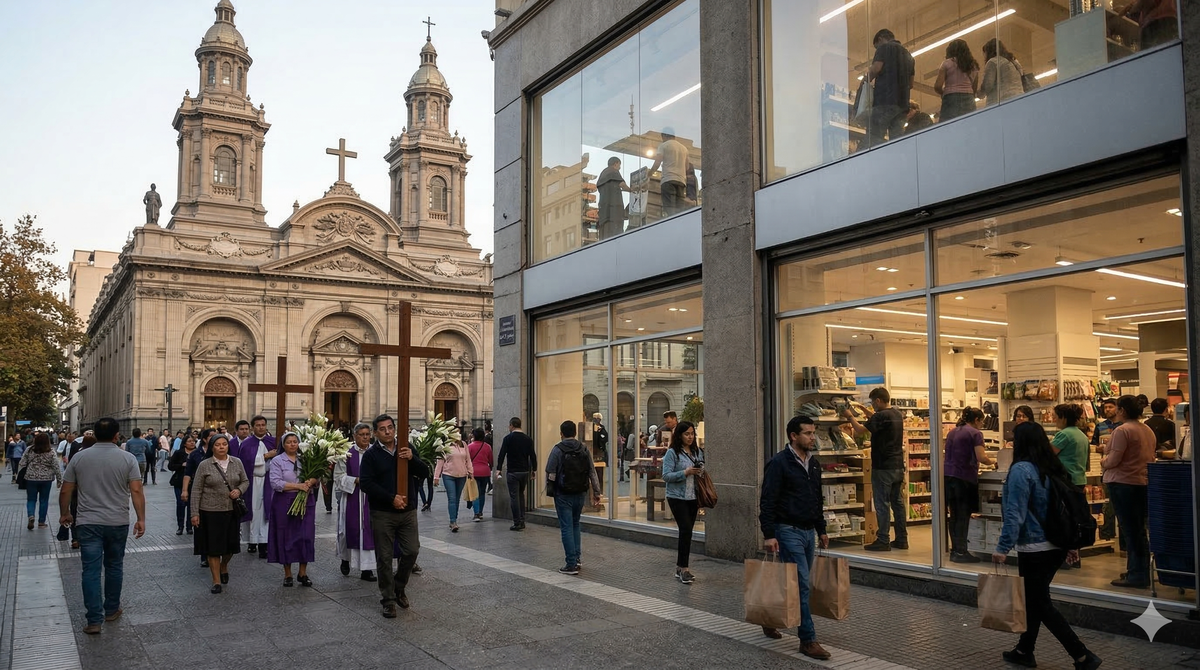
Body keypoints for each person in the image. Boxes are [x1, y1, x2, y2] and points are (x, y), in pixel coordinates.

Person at [993, 422, 1102, 670]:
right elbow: (1065, 510)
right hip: (1055, 546)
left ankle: (1082, 655)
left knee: (1041, 604)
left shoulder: (1021, 470)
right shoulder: (1051, 468)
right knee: (1035, 601)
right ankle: (1024, 650)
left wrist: (1002, 547)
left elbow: (1015, 513)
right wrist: (1071, 545)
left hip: (1034, 547)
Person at [58, 417, 146, 635]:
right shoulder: (127, 459)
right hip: (117, 521)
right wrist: (141, 518)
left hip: (87, 522)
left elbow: (65, 490)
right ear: (117, 436)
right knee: (114, 565)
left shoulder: (79, 457)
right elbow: (136, 491)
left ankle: (94, 620)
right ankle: (111, 609)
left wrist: (65, 513)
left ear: (94, 435)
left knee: (90, 569)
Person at [758, 415, 831, 661]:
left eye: (813, 433)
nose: (813, 437)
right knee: (801, 584)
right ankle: (808, 639)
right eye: (808, 433)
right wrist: (769, 534)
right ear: (793, 436)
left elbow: (816, 499)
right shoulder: (779, 463)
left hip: (808, 531)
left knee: (792, 582)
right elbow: (767, 500)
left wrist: (821, 529)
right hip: (787, 530)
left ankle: (769, 617)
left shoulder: (814, 463)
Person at [359, 414, 430, 618]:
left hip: (407, 512)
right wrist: (391, 498)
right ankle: (388, 599)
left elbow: (424, 471)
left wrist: (412, 458)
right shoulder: (371, 455)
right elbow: (366, 483)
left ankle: (399, 586)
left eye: (390, 427)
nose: (388, 431)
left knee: (411, 551)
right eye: (382, 429)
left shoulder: (406, 448)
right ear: (376, 433)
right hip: (383, 513)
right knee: (384, 557)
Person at [1099, 395, 1156, 588]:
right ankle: (1138, 570)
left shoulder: (1122, 430)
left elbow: (1114, 459)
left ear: (1122, 410)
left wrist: (1103, 462)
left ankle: (1137, 575)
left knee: (1131, 531)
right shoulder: (1147, 429)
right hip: (1142, 482)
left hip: (1122, 484)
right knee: (1139, 530)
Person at [844, 387, 907, 551]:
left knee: (882, 504)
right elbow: (876, 419)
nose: (872, 405)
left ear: (878, 401)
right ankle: (902, 539)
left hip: (883, 466)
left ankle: (883, 540)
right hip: (898, 466)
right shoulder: (896, 414)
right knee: (898, 503)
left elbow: (860, 430)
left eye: (873, 402)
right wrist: (864, 409)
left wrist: (850, 416)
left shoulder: (880, 416)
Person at [190, 434, 248, 593]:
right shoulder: (204, 465)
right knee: (213, 548)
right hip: (210, 512)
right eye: (218, 445)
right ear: (212, 447)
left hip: (230, 511)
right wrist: (194, 513)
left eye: (224, 444)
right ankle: (216, 581)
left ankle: (224, 565)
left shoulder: (237, 462)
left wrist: (239, 490)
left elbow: (245, 481)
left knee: (230, 547)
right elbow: (196, 490)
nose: (222, 447)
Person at [546, 420, 601, 575]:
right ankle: (576, 558)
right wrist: (597, 492)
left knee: (566, 527)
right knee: (575, 524)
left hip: (563, 493)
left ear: (561, 433)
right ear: (575, 432)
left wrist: (551, 489)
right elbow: (592, 471)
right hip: (580, 492)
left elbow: (550, 471)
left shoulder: (557, 449)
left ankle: (570, 564)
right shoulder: (583, 448)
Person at [268, 432, 318, 587]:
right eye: (289, 442)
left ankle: (302, 573)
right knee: (286, 536)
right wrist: (298, 486)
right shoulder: (277, 460)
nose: (292, 444)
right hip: (284, 501)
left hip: (305, 500)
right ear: (283, 445)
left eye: (295, 442)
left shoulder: (306, 458)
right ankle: (287, 573)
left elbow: (317, 477)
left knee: (305, 536)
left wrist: (312, 481)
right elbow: (275, 483)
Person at [944, 408, 994, 563]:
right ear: (977, 419)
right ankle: (962, 551)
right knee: (963, 516)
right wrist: (994, 462)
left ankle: (955, 550)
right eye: (982, 421)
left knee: (954, 515)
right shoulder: (975, 433)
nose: (982, 424)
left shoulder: (952, 432)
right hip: (964, 477)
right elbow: (981, 457)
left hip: (949, 476)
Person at [662, 420, 705, 584]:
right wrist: (685, 472)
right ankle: (684, 569)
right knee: (685, 529)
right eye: (687, 434)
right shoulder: (673, 453)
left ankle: (680, 567)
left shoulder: (697, 452)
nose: (690, 437)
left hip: (693, 496)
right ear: (679, 435)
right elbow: (666, 476)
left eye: (692, 433)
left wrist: (700, 470)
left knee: (687, 531)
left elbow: (702, 471)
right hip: (677, 497)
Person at [335, 423, 378, 581]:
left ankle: (367, 569)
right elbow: (338, 477)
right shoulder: (346, 454)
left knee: (370, 530)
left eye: (367, 434)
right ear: (354, 436)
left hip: (371, 497)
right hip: (353, 497)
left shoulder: (376, 452)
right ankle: (345, 558)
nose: (365, 437)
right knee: (350, 529)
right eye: (361, 434)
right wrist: (358, 480)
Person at [865, 28, 915, 147]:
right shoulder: (909, 56)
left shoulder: (884, 48)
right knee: (896, 140)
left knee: (875, 138)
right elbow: (911, 84)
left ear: (881, 39)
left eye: (876, 46)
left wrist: (864, 81)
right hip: (902, 105)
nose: (877, 49)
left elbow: (876, 69)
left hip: (884, 101)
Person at [236, 416, 276, 558]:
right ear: (253, 427)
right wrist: (266, 456)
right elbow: (245, 461)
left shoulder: (272, 441)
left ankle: (264, 544)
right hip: (253, 482)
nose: (261, 427)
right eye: (258, 425)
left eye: (263, 425)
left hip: (268, 482)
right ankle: (252, 541)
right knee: (254, 512)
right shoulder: (247, 444)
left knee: (266, 512)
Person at [496, 417, 536, 531]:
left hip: (513, 471)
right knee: (521, 495)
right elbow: (532, 455)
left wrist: (498, 469)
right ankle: (522, 520)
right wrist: (534, 469)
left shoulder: (508, 438)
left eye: (509, 425)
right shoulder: (528, 439)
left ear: (512, 425)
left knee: (514, 497)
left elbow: (502, 454)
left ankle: (517, 522)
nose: (509, 427)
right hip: (524, 471)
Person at [21, 432, 64, 530]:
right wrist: (59, 479)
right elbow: (56, 466)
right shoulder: (51, 451)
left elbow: (22, 462)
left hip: (31, 478)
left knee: (31, 499)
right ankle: (41, 522)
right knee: (44, 500)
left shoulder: (29, 450)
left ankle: (31, 515)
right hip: (46, 479)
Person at [433, 434, 471, 532]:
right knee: (452, 498)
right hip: (448, 475)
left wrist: (471, 471)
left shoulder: (464, 444)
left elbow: (468, 459)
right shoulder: (445, 445)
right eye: (456, 433)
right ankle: (453, 522)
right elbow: (440, 461)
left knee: (457, 499)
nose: (459, 435)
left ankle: (454, 519)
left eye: (459, 433)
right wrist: (436, 477)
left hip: (462, 475)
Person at [934, 38, 979, 121]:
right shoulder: (973, 66)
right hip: (969, 98)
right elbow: (974, 89)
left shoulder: (947, 63)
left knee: (948, 126)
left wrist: (944, 92)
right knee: (969, 125)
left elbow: (937, 86)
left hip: (951, 98)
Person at [649, 128, 689, 217]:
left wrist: (649, 174)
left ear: (664, 136)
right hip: (681, 181)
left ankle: (673, 226)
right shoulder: (684, 148)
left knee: (670, 208)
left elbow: (657, 162)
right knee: (680, 209)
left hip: (668, 179)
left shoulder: (663, 146)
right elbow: (687, 167)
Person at [596, 156, 632, 240]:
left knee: (605, 231)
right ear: (616, 163)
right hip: (614, 207)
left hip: (604, 208)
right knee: (615, 230)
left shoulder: (603, 174)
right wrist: (631, 190)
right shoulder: (613, 171)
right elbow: (622, 185)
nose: (619, 167)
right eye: (619, 165)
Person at [980, 38, 1024, 107]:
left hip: (1001, 101)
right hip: (1019, 98)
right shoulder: (1013, 61)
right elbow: (1021, 74)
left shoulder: (993, 62)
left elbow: (988, 85)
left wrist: (979, 93)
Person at [169, 435, 198, 535]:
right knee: (180, 504)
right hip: (179, 482)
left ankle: (189, 526)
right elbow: (170, 466)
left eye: (193, 441)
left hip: (194, 483)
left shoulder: (197, 453)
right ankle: (180, 526)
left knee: (191, 505)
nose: (192, 443)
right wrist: (181, 465)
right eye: (189, 441)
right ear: (184, 443)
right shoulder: (179, 453)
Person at [465, 428, 493, 522]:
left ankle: (476, 513)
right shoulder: (488, 447)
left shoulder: (470, 447)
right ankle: (480, 512)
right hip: (485, 472)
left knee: (474, 493)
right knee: (482, 493)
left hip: (474, 472)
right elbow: (491, 460)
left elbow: (467, 460)